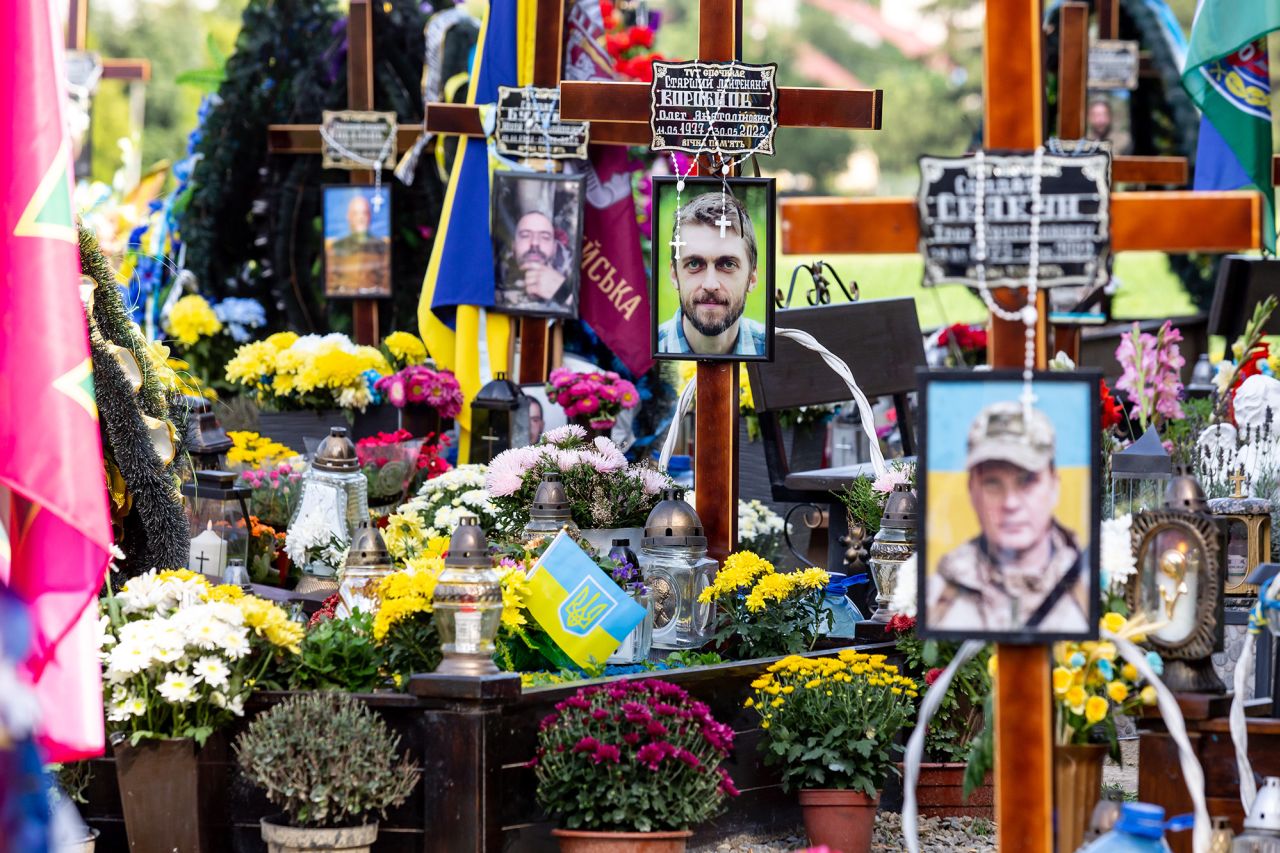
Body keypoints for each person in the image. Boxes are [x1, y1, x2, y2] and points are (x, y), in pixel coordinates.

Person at [926, 401, 1089, 634]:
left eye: (1027, 481)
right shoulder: (939, 593)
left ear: (1054, 485)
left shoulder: (1091, 586)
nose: (1010, 503)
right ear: (972, 490)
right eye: (992, 483)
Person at [657, 191, 766, 357]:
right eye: (694, 264)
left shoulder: (783, 354)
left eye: (728, 264)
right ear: (674, 275)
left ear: (752, 277)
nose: (710, 285)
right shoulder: (639, 360)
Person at [496, 208, 577, 314]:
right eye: (525, 235)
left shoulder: (572, 271)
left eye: (544, 237)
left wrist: (562, 292)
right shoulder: (493, 271)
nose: (535, 242)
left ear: (554, 248)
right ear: (513, 246)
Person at [325, 192, 389, 295]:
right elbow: (330, 285)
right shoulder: (336, 247)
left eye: (364, 213)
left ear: (369, 216)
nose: (361, 218)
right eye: (356, 213)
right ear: (349, 216)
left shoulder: (382, 247)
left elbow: (387, 284)